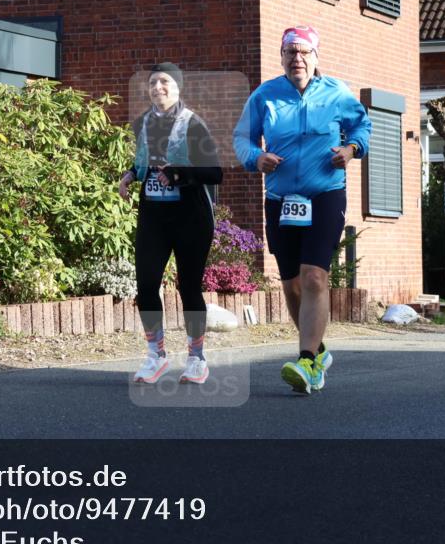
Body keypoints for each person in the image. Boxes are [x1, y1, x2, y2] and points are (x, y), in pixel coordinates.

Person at [233, 26, 372, 395]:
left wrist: (351, 150)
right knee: (291, 285)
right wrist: (255, 158)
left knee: (314, 277)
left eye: (304, 52)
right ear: (281, 57)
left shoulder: (337, 93)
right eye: (290, 52)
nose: (297, 59)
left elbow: (362, 125)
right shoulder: (265, 95)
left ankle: (307, 361)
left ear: (315, 57)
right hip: (281, 199)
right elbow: (241, 139)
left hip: (325, 193)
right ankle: (317, 348)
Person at [118, 62, 222, 384]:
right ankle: (156, 354)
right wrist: (130, 175)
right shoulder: (142, 124)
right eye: (152, 83)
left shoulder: (194, 125)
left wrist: (179, 173)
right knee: (146, 286)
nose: (157, 88)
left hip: (192, 217)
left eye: (164, 82)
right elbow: (142, 163)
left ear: (178, 87)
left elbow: (214, 173)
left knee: (188, 287)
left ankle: (196, 358)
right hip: (155, 217)